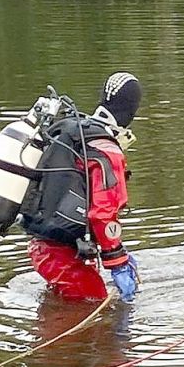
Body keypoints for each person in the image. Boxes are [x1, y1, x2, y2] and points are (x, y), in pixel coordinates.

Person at [22, 72, 142, 302]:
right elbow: (103, 214)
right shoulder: (107, 150)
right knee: (97, 311)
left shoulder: (72, 130)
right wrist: (118, 262)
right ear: (131, 109)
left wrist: (120, 251)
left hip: (43, 246)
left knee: (64, 308)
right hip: (63, 255)